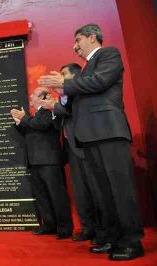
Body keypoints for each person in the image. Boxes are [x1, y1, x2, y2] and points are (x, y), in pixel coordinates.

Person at [38, 23, 144, 260]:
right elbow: (72, 106)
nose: (75, 47)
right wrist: (63, 94)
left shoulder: (109, 55)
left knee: (120, 190)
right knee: (103, 193)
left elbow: (100, 83)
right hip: (87, 137)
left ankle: (132, 242)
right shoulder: (85, 71)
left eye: (78, 41)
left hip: (108, 132)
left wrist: (64, 85)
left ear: (92, 37)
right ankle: (113, 238)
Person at [40, 63, 98, 243]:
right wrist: (55, 106)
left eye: (63, 74)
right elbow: (60, 124)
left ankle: (103, 230)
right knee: (80, 193)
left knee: (95, 190)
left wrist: (55, 106)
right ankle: (88, 228)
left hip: (86, 146)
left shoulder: (82, 93)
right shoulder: (63, 97)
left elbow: (72, 112)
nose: (59, 77)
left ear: (75, 76)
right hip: (72, 150)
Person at [11, 87, 73, 239]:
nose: (30, 96)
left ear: (43, 98)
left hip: (49, 161)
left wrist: (24, 118)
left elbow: (42, 124)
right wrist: (19, 122)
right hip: (35, 160)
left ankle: (64, 229)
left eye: (33, 94)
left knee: (57, 195)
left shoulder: (48, 111)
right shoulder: (35, 115)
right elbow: (29, 132)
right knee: (42, 196)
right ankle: (49, 225)